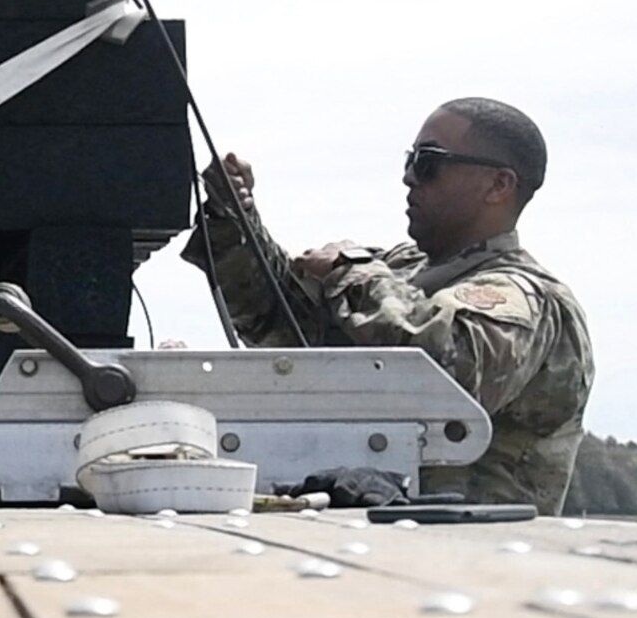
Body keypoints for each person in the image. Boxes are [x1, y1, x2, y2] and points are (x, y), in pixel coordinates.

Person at [183, 98, 593, 512]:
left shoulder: (526, 297)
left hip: (468, 550)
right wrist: (235, 217)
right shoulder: (399, 270)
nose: (409, 177)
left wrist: (350, 272)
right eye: (410, 160)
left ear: (498, 186)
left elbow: (445, 368)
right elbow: (282, 321)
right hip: (372, 533)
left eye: (428, 162)